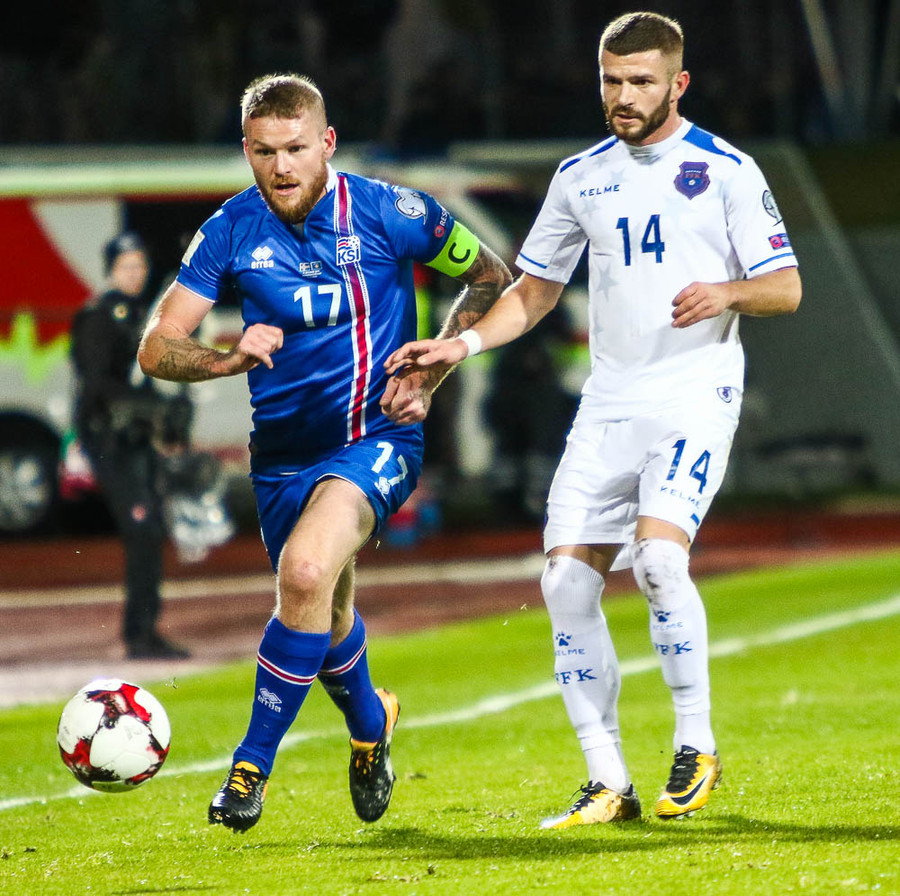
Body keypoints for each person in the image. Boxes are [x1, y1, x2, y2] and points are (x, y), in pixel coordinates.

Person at [385, 11, 802, 827]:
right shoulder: (581, 177)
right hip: (611, 401)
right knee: (564, 582)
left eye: (641, 81)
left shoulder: (727, 169)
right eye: (612, 80)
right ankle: (608, 780)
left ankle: (696, 744)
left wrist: (727, 292)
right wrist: (458, 346)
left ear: (678, 84)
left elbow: (785, 287)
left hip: (694, 394)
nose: (623, 95)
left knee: (658, 560)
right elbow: (533, 294)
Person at [137, 73, 511, 833]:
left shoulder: (390, 211)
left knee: (304, 573)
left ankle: (249, 770)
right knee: (326, 611)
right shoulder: (229, 229)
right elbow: (157, 345)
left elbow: (490, 275)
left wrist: (433, 371)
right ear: (246, 150)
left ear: (327, 143)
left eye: (296, 149)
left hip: (376, 439)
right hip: (280, 457)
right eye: (264, 152)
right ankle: (372, 726)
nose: (281, 168)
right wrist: (226, 359)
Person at [70, 232, 193, 660]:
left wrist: (169, 412)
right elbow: (97, 384)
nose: (135, 273)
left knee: (150, 528)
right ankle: (138, 635)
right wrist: (151, 407)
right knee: (142, 528)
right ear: (110, 271)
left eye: (140, 265)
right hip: (110, 439)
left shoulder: (141, 313)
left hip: (135, 437)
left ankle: (145, 630)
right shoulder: (98, 317)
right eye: (126, 266)